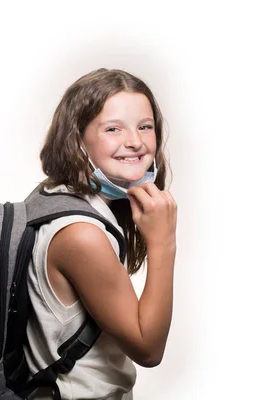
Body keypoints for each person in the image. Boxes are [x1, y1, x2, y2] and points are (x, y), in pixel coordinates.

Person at [23, 68, 177, 399]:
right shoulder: (81, 234)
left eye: (145, 127)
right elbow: (149, 349)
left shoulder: (52, 198)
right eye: (113, 129)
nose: (135, 141)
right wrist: (163, 242)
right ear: (77, 140)